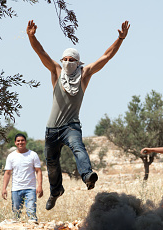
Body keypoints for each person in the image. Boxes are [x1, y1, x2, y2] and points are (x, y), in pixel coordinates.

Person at [26, 19, 130, 210]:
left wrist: (120, 38)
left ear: (78, 62)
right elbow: (41, 53)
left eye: (71, 60)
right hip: (52, 129)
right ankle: (56, 191)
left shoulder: (84, 74)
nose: (67, 62)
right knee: (52, 163)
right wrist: (32, 37)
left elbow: (106, 57)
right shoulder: (56, 71)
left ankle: (88, 176)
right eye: (64, 59)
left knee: (78, 147)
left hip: (71, 126)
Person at [2, 133, 43, 223]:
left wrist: (39, 186)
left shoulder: (33, 155)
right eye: (18, 141)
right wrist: (4, 188)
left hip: (30, 189)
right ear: (15, 142)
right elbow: (7, 173)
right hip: (16, 189)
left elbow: (38, 171)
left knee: (31, 212)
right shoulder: (11, 156)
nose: (20, 142)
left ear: (25, 141)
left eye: (22, 140)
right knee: (16, 214)